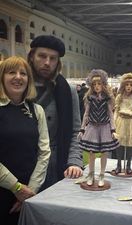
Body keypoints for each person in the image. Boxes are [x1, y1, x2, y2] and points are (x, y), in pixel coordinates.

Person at [28, 35, 83, 190]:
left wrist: (74, 162)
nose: (47, 63)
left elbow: (75, 131)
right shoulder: (18, 88)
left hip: (54, 167)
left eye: (53, 58)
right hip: (21, 163)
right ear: (32, 56)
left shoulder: (68, 91)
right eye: (42, 56)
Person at [0, 56, 50, 224]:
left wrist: (30, 191)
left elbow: (44, 153)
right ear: (2, 77)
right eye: (11, 72)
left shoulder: (37, 111)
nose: (18, 77)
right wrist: (16, 187)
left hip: (29, 194)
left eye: (23, 73)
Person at [78, 69, 119, 187]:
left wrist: (113, 130)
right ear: (91, 85)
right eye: (94, 84)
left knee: (104, 152)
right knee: (91, 152)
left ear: (103, 84)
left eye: (99, 84)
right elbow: (86, 114)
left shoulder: (107, 98)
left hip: (105, 127)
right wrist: (82, 129)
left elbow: (111, 115)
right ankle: (91, 174)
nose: (96, 86)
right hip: (92, 127)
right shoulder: (89, 98)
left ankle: (102, 175)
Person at [113, 73, 132, 175]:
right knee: (119, 144)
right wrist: (113, 123)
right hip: (121, 120)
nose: (129, 87)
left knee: (130, 145)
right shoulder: (119, 97)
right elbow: (116, 111)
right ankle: (118, 165)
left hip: (131, 121)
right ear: (123, 85)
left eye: (131, 85)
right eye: (127, 85)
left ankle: (129, 165)